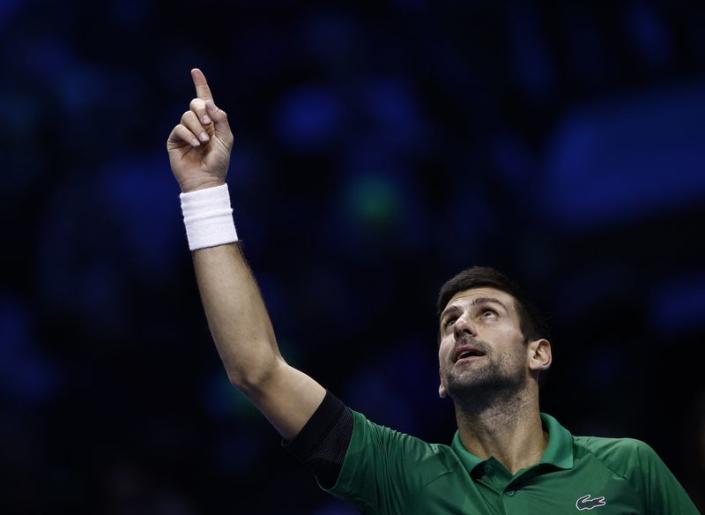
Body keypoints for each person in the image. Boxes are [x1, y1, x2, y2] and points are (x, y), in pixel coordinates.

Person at [166, 68, 701, 514]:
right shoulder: (404, 476)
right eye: (449, 323)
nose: (462, 324)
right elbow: (257, 370)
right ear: (442, 379)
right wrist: (204, 191)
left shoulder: (627, 466)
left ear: (538, 353)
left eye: (488, 313)